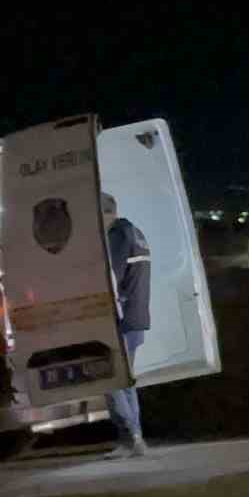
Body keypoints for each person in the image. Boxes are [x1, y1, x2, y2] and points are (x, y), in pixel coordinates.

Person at [102, 193, 152, 458]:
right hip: (136, 317)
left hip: (121, 318)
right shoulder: (135, 232)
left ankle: (130, 437)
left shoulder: (117, 237)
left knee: (109, 381)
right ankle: (135, 438)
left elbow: (111, 277)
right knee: (126, 380)